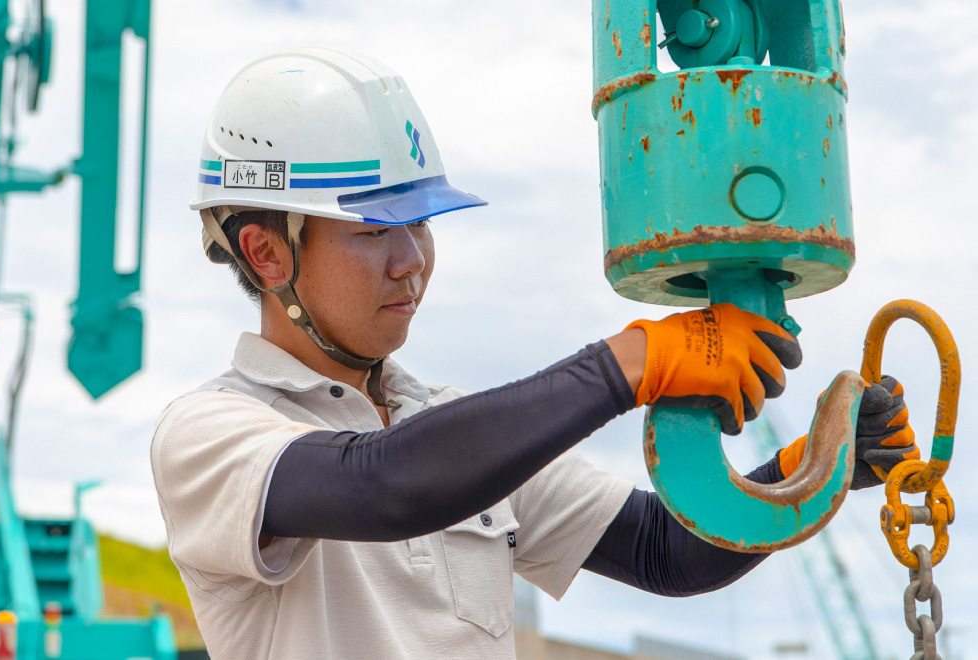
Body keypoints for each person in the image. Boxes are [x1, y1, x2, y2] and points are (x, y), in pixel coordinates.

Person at [151, 47, 919, 660]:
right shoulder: (211, 435)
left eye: (420, 224)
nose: (411, 260)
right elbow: (388, 488)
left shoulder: (448, 428)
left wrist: (817, 467)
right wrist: (626, 364)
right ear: (268, 253)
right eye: (374, 230)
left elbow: (665, 551)